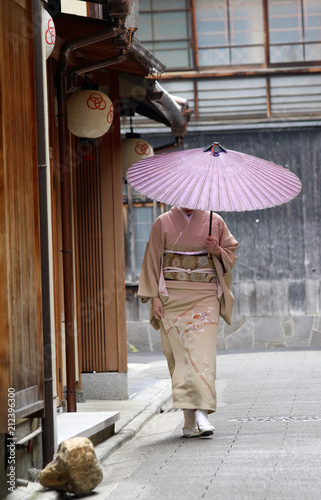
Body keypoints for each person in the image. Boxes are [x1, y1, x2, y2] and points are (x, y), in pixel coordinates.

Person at [138, 206, 238, 437]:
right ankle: (188, 418)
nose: (189, 201)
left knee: (202, 354)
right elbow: (152, 259)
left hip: (205, 296)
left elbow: (230, 254)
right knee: (178, 356)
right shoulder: (163, 222)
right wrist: (154, 297)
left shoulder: (216, 221)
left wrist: (217, 250)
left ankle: (203, 412)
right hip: (171, 296)